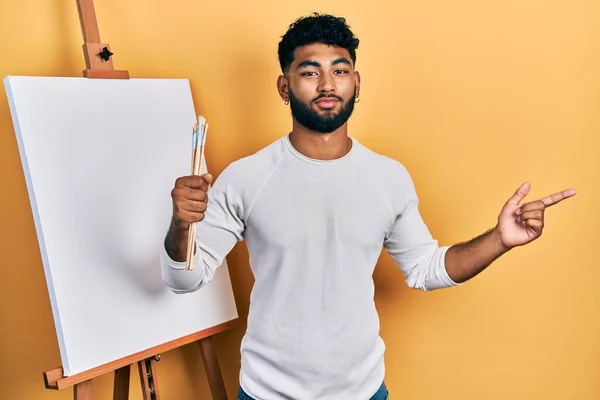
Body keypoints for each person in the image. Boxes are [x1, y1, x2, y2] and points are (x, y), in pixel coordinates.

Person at [161, 13, 576, 400]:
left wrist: (499, 239)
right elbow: (185, 279)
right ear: (284, 87)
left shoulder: (388, 177)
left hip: (363, 391)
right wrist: (181, 224)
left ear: (356, 83)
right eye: (309, 72)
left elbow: (425, 269)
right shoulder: (246, 177)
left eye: (339, 71)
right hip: (267, 391)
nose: (327, 84)